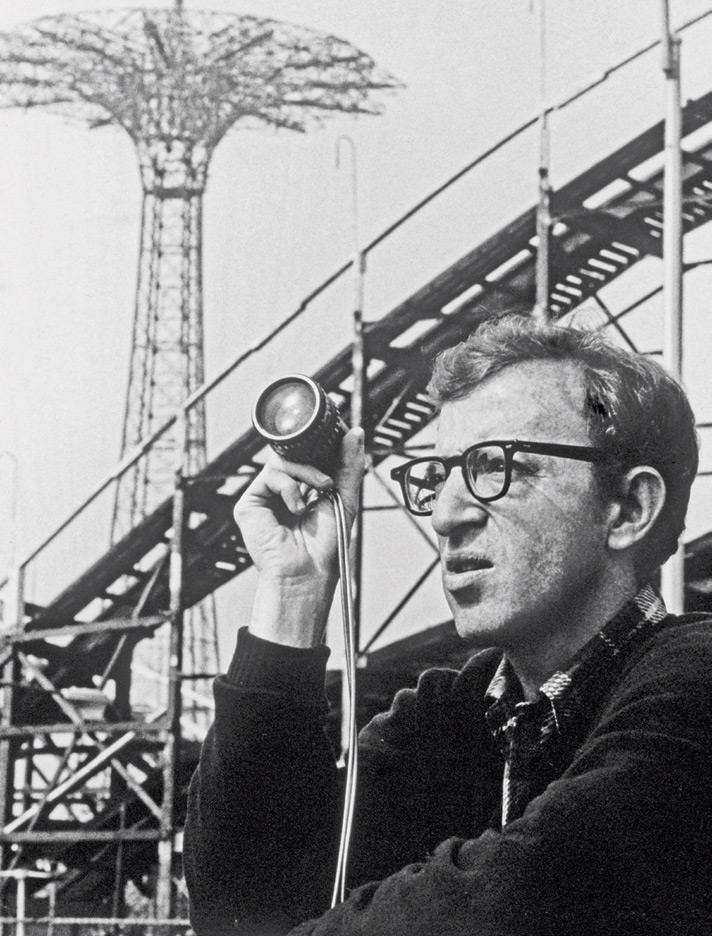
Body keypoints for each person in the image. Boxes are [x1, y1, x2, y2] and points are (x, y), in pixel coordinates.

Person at [184, 313, 712, 936]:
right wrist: (293, 589)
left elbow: (518, 903)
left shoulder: (694, 686)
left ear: (628, 508)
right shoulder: (453, 715)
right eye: (441, 475)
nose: (446, 514)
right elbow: (241, 904)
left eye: (496, 466)